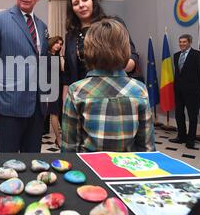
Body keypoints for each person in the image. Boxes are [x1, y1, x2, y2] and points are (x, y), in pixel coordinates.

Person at [62, 18, 155, 152]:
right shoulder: (139, 90)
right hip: (128, 170)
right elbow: (147, 149)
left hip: (87, 170)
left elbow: (69, 150)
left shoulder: (76, 90)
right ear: (126, 49)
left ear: (88, 50)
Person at [0, 0, 49, 153]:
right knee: (8, 159)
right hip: (9, 103)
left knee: (33, 157)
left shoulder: (42, 27)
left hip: (37, 106)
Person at [62, 0, 139, 102]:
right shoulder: (71, 36)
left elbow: (132, 57)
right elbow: (68, 74)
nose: (81, 5)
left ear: (93, 1)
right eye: (76, 3)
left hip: (115, 93)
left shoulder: (113, 24)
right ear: (72, 9)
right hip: (81, 96)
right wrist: (65, 100)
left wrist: (117, 65)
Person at [169, 34, 200, 149]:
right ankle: (181, 137)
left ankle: (190, 140)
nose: (181, 44)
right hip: (179, 91)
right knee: (179, 114)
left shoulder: (197, 55)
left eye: (184, 42)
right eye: (180, 42)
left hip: (193, 92)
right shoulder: (176, 56)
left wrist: (198, 90)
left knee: (192, 116)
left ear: (189, 42)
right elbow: (178, 74)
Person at [47, 36, 64, 148]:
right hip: (50, 87)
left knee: (59, 112)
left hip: (60, 86)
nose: (58, 45)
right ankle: (58, 138)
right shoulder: (45, 55)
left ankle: (61, 138)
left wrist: (61, 55)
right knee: (54, 113)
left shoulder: (58, 56)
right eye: (57, 42)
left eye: (61, 43)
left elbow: (63, 69)